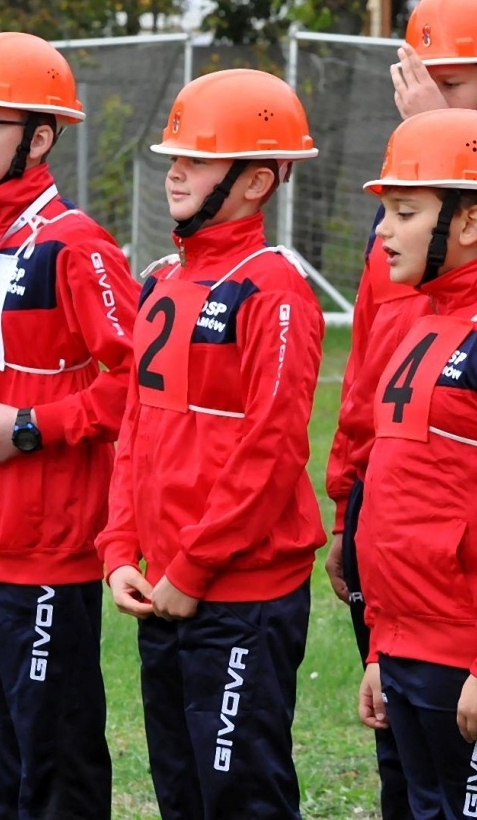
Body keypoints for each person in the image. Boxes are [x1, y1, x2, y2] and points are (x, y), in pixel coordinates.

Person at [325, 0, 477, 818]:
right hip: (406, 626)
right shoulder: (417, 304)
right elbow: (375, 426)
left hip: (476, 637)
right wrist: (379, 629)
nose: (385, 229)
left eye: (451, 87)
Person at [0, 31, 136, 820]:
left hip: (48, 550)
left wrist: (35, 426)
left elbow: (138, 385)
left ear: (39, 139)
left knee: (55, 763)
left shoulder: (77, 248)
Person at [97, 68, 327, 819]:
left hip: (239, 596)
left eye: (196, 158)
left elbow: (273, 448)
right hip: (163, 589)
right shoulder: (163, 279)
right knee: (182, 791)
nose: (175, 172)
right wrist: (120, 544)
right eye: (175, 156)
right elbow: (136, 425)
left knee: (240, 793)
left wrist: (193, 565)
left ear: (257, 180)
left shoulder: (275, 289)